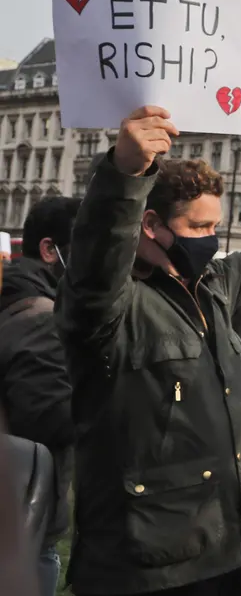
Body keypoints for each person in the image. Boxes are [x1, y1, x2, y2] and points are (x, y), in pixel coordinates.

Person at [57, 106, 241, 596]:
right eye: (198, 228)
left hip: (229, 544)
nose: (211, 240)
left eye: (215, 228)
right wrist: (125, 172)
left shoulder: (215, 288)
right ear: (149, 224)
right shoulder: (109, 307)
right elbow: (100, 250)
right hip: (147, 565)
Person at [0, 196, 81, 596]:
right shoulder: (44, 319)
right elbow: (48, 421)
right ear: (51, 250)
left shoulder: (13, 296)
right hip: (27, 517)